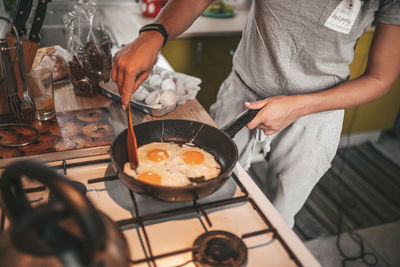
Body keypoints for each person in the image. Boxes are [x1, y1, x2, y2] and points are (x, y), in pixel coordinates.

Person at [111, 0, 400, 227]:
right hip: (244, 92)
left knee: (281, 211)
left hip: (319, 109)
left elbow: (380, 78)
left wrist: (299, 105)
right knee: (212, 195)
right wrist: (155, 32)